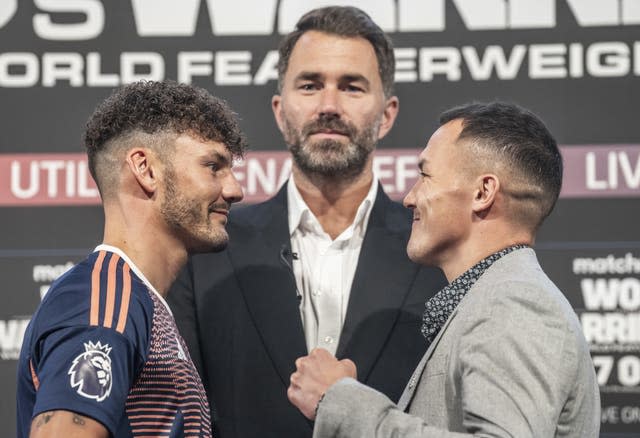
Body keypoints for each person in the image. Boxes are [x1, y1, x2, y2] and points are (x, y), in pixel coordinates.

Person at [167, 6, 446, 438]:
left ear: (387, 115)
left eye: (352, 87)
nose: (329, 106)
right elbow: (180, 416)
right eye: (310, 85)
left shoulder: (439, 255)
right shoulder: (205, 251)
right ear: (280, 111)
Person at [287, 101, 601, 437]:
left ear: (482, 192)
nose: (409, 197)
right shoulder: (497, 299)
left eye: (424, 175)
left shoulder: (513, 304)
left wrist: (340, 403)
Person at [16, 80, 246, 437]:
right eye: (213, 166)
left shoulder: (133, 301)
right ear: (146, 169)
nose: (235, 190)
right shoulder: (105, 301)